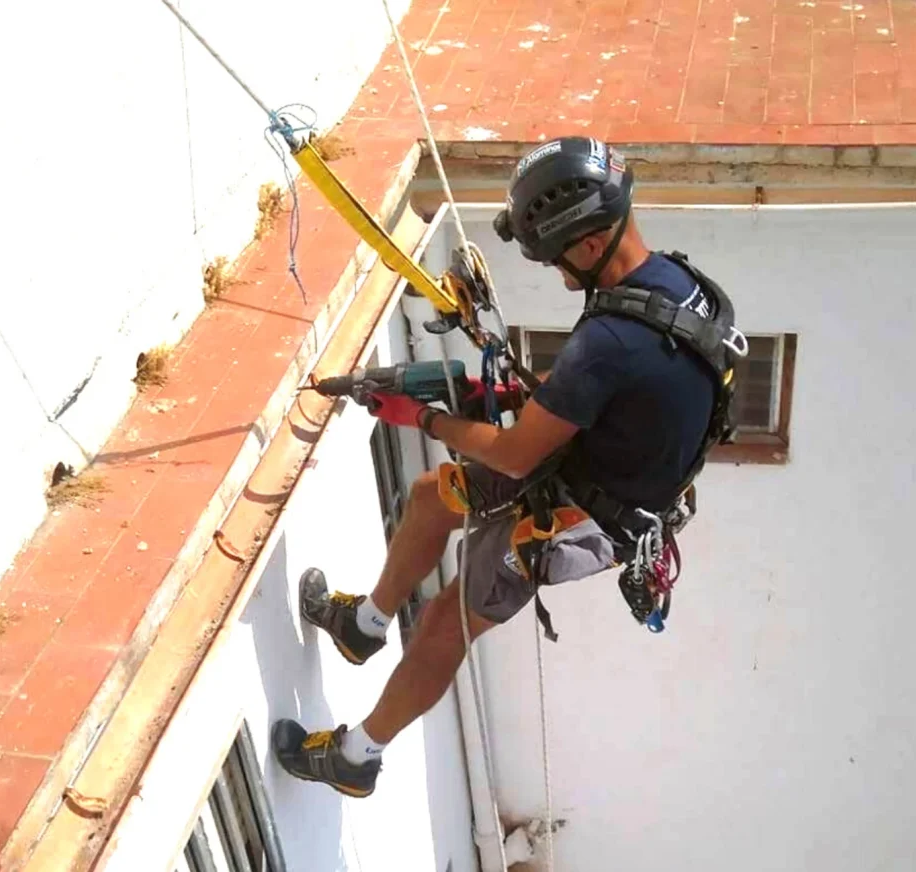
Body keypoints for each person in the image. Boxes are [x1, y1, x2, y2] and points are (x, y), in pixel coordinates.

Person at [271, 136, 738, 798]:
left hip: (584, 516)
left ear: (586, 241)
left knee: (445, 621)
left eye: (554, 261)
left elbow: (519, 452)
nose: (559, 275)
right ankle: (363, 627)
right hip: (593, 463)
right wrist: (529, 398)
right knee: (436, 496)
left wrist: (423, 418)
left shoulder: (606, 343)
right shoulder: (679, 286)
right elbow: (622, 386)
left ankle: (356, 757)